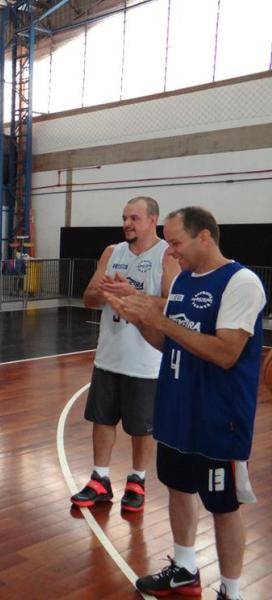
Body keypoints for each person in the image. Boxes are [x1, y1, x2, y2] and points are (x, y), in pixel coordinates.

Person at [106, 207, 266, 600]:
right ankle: (184, 569)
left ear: (204, 237)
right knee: (178, 488)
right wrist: (138, 317)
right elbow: (170, 343)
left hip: (219, 418)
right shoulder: (182, 281)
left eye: (177, 242)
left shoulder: (241, 282)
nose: (172, 251)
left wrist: (160, 320)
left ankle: (231, 591)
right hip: (175, 410)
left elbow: (226, 352)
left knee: (223, 507)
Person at [71, 196, 179, 513]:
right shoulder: (112, 252)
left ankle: (137, 480)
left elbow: (173, 303)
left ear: (152, 220)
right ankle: (99, 479)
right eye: (124, 218)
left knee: (142, 427)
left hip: (146, 359)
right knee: (101, 419)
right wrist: (107, 292)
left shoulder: (166, 254)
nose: (127, 224)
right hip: (109, 355)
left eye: (134, 218)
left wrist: (134, 295)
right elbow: (88, 298)